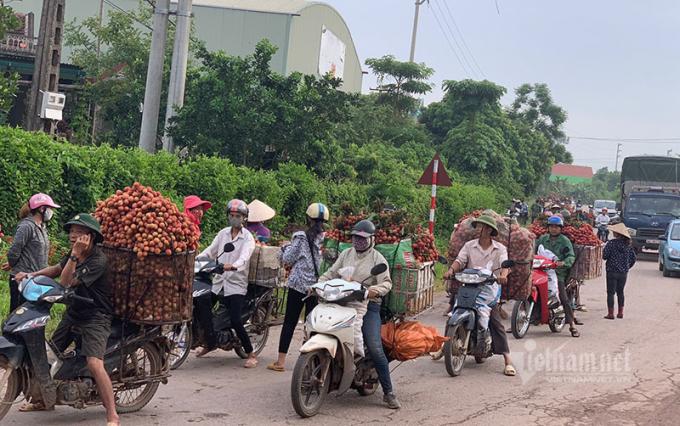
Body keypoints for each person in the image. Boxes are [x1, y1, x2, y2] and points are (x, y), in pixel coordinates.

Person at [15, 214, 119, 425]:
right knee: (49, 354)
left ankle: (112, 415)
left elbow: (65, 281)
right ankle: (44, 400)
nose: (73, 235)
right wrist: (30, 275)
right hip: (74, 313)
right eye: (72, 231)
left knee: (94, 363)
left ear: (90, 237)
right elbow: (56, 270)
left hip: (96, 317)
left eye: (79, 232)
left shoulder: (98, 260)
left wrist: (74, 255)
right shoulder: (74, 255)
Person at [319, 220, 400, 409]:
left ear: (372, 239)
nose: (359, 241)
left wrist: (372, 291)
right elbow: (330, 273)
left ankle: (388, 392)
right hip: (342, 299)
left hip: (368, 304)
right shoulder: (346, 254)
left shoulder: (377, 259)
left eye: (363, 239)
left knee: (374, 346)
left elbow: (387, 283)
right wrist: (318, 285)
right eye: (356, 237)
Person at [443, 214, 516, 377]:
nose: (480, 229)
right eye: (479, 226)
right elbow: (460, 261)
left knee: (496, 322)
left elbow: (505, 264)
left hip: (489, 288)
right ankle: (445, 347)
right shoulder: (469, 245)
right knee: (453, 314)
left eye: (483, 227)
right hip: (468, 286)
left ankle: (508, 360)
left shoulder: (499, 249)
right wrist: (450, 271)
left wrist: (503, 275)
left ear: (490, 230)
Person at [267, 203, 329, 372]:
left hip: (298, 286)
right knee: (312, 325)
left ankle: (280, 362)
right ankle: (311, 363)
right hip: (316, 288)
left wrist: (283, 248)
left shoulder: (301, 237)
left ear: (308, 218)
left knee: (290, 322)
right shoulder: (327, 239)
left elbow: (287, 259)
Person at [196, 199, 257, 367]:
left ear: (244, 218)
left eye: (238, 216)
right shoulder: (223, 233)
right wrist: (196, 260)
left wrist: (233, 266)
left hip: (236, 284)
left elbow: (244, 258)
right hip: (219, 281)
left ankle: (251, 353)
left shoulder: (248, 239)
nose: (234, 218)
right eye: (232, 215)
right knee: (204, 310)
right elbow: (211, 250)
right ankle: (210, 342)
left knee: (236, 321)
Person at [2, 193, 60, 314]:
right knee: (19, 315)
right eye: (49, 208)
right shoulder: (26, 226)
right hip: (22, 279)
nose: (51, 212)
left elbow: (30, 251)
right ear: (41, 209)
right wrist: (13, 264)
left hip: (35, 278)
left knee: (32, 315)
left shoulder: (41, 227)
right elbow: (14, 251)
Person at [535, 216, 580, 337]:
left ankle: (572, 325)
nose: (553, 229)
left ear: (560, 228)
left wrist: (563, 262)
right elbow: (534, 252)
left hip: (557, 273)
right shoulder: (542, 239)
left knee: (564, 298)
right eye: (551, 227)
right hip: (541, 270)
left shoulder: (565, 241)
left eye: (556, 227)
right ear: (548, 228)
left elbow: (570, 256)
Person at [602, 223, 637, 319]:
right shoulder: (628, 245)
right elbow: (633, 259)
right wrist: (626, 267)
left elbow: (604, 256)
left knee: (610, 293)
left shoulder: (611, 243)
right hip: (623, 273)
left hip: (611, 271)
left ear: (617, 233)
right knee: (620, 292)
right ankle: (620, 313)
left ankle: (610, 314)